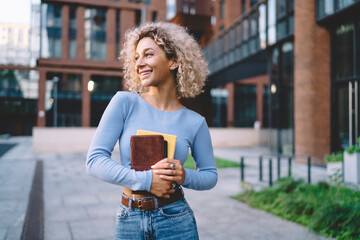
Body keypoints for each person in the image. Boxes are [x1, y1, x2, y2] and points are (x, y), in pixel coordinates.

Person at [86, 21, 218, 240]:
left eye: (148, 54)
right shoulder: (124, 103)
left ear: (174, 61)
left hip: (176, 219)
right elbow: (94, 161)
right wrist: (148, 181)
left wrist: (183, 175)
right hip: (129, 219)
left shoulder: (195, 122)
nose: (139, 63)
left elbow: (210, 176)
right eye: (136, 57)